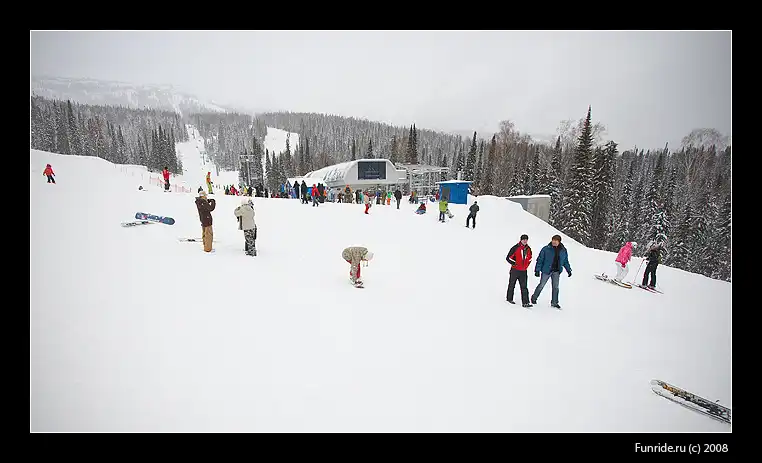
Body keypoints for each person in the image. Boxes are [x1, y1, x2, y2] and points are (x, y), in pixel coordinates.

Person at [531, 234, 572, 309]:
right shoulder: (546, 249)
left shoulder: (563, 250)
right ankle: (534, 298)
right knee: (541, 285)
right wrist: (537, 270)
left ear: (559, 242)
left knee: (555, 287)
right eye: (553, 240)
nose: (554, 242)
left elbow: (565, 261)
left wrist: (568, 270)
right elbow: (540, 259)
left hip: (556, 271)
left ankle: (554, 302)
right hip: (546, 270)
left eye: (556, 241)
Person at [506, 234, 533, 307]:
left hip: (523, 271)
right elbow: (508, 258)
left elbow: (530, 258)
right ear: (521, 240)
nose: (525, 241)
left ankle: (525, 302)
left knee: (524, 287)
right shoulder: (515, 247)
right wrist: (515, 264)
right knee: (512, 285)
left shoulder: (528, 249)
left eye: (526, 239)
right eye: (523, 239)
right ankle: (509, 298)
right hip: (515, 270)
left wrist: (526, 266)